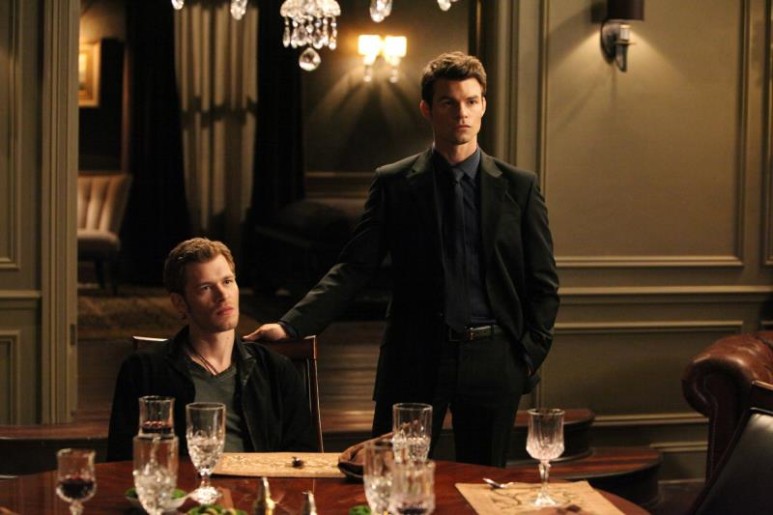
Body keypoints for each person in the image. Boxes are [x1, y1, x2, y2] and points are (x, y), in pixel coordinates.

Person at [246, 51, 559, 467]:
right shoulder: (394, 182)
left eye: (471, 101)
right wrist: (291, 325)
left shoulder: (519, 187)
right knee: (392, 480)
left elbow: (543, 283)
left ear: (483, 105)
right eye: (449, 102)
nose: (462, 113)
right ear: (427, 109)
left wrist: (526, 356)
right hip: (414, 356)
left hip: (493, 360)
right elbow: (354, 267)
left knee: (481, 486)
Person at [106, 237, 316, 461]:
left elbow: (304, 460)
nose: (223, 295)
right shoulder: (143, 370)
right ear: (180, 303)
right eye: (206, 288)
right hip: (181, 483)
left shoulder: (275, 369)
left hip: (260, 483)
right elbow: (122, 461)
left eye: (227, 281)